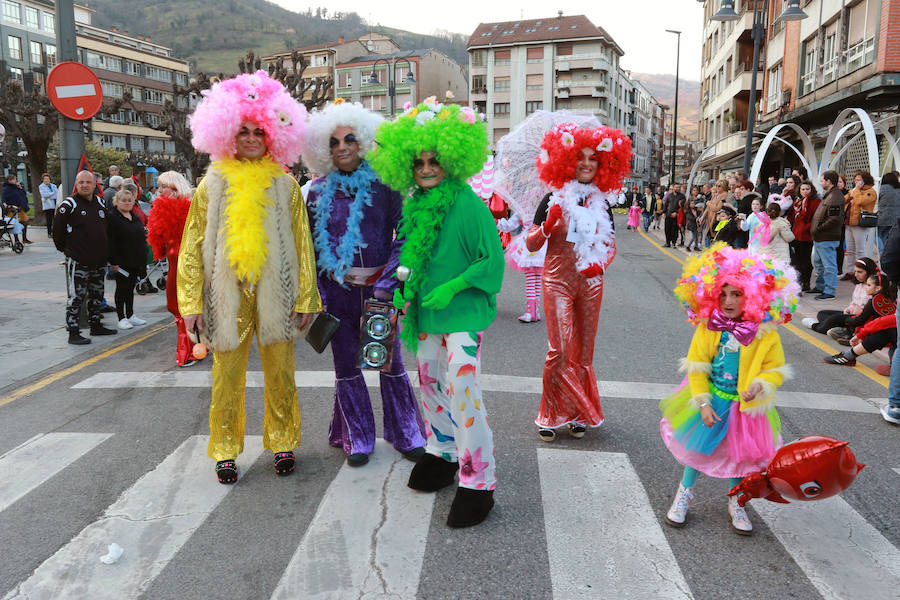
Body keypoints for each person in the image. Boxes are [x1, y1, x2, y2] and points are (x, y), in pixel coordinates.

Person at [177, 70, 321, 484]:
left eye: (260, 131)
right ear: (227, 133)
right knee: (225, 375)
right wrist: (190, 305)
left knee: (281, 372)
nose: (252, 138)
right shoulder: (211, 185)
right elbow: (191, 246)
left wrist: (306, 298)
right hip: (227, 294)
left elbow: (301, 245)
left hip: (277, 293)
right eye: (243, 131)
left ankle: (283, 443)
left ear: (273, 134)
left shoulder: (286, 185)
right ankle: (224, 450)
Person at [370, 99, 503, 528]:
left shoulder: (468, 205)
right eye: (419, 161)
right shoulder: (414, 206)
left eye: (434, 160)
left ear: (450, 158)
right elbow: (409, 257)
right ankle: (443, 452)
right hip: (426, 316)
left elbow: (492, 262)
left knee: (464, 391)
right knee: (428, 384)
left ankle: (478, 478)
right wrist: (402, 287)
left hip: (461, 314)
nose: (426, 168)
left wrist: (453, 286)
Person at [303, 100, 425, 467]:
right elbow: (309, 246)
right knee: (346, 368)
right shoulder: (317, 191)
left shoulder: (385, 184)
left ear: (363, 141)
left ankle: (406, 432)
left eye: (350, 139)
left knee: (388, 363)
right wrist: (321, 295)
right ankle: (356, 436)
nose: (342, 147)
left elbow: (403, 233)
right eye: (334, 142)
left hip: (379, 291)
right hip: (337, 294)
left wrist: (388, 283)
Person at [661, 244, 798, 534]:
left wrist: (759, 387)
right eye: (722, 293)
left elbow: (775, 369)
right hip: (713, 399)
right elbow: (697, 366)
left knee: (741, 457)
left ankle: (737, 501)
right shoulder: (709, 327)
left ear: (753, 296)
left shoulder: (765, 334)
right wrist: (702, 402)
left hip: (745, 407)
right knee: (699, 449)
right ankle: (684, 493)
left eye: (736, 294)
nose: (728, 300)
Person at [524, 123, 628, 443]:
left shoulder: (602, 203)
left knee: (583, 354)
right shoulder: (552, 197)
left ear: (602, 164)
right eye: (579, 157)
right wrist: (547, 225)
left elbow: (610, 245)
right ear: (567, 160)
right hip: (557, 281)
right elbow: (530, 245)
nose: (586, 163)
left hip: (591, 283)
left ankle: (577, 414)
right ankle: (550, 413)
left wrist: (601, 263)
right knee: (560, 350)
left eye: (593, 158)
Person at [53, 171, 118, 344]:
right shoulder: (69, 204)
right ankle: (73, 332)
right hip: (78, 261)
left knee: (97, 294)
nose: (84, 185)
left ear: (95, 184)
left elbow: (107, 230)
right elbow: (57, 231)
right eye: (81, 182)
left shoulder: (99, 202)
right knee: (76, 297)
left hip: (99, 260)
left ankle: (96, 325)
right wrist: (68, 250)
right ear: (76, 184)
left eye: (88, 182)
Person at [147, 171, 196, 367]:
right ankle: (194, 347)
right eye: (159, 186)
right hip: (176, 268)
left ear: (175, 188)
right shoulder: (165, 209)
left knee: (183, 308)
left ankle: (187, 352)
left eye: (164, 186)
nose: (159, 191)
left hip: (186, 270)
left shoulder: (187, 209)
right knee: (180, 308)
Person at [824, 272, 897, 365]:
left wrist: (860, 334)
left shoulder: (875, 300)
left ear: (878, 288)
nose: (856, 274)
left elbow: (880, 322)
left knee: (885, 331)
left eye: (869, 285)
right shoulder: (885, 298)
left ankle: (848, 354)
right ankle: (849, 354)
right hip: (862, 324)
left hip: (862, 326)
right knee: (827, 315)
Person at [106, 188, 147, 330]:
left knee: (130, 289)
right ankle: (121, 317)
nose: (127, 203)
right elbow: (110, 241)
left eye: (130, 200)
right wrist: (113, 262)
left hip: (135, 259)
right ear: (117, 202)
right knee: (122, 289)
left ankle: (130, 315)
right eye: (123, 200)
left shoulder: (133, 216)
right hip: (121, 261)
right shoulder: (112, 217)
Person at [801, 258, 876, 335]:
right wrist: (849, 309)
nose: (856, 274)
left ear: (868, 272)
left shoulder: (873, 286)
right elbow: (854, 302)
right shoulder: (859, 284)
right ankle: (840, 328)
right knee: (822, 314)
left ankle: (815, 326)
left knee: (833, 319)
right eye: (855, 271)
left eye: (860, 272)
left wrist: (861, 310)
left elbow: (871, 307)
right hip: (851, 314)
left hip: (859, 318)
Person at [499, 210, 546, 322]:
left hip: (528, 243)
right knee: (537, 278)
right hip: (542, 243)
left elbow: (509, 226)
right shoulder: (545, 206)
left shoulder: (523, 207)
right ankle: (535, 310)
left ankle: (531, 312)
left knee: (531, 277)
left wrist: (497, 221)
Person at [810, 170, 844, 300]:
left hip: (826, 236)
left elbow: (835, 218)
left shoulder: (835, 196)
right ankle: (820, 286)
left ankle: (829, 291)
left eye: (822, 180)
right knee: (819, 263)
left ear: (829, 181)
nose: (821, 182)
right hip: (821, 236)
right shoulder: (830, 194)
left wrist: (819, 228)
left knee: (829, 264)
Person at [841, 170, 877, 280]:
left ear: (864, 181)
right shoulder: (854, 191)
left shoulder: (870, 191)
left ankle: (862, 273)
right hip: (849, 223)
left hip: (860, 224)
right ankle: (850, 272)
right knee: (850, 250)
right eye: (855, 179)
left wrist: (856, 191)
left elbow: (861, 201)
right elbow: (843, 200)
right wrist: (852, 192)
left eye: (858, 180)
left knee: (860, 250)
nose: (856, 182)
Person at [790, 182, 820, 292]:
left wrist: (806, 228)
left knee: (806, 261)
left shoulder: (815, 201)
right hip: (796, 234)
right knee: (796, 261)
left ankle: (806, 282)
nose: (805, 191)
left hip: (806, 235)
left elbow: (815, 219)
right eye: (803, 189)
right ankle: (799, 281)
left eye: (807, 189)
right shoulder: (798, 200)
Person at [2, 174, 31, 244]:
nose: (16, 181)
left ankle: (24, 239)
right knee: (14, 224)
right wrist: (6, 205)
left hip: (20, 208)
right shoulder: (6, 189)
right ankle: (16, 240)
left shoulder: (17, 187)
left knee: (25, 222)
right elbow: (3, 199)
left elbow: (23, 194)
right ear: (9, 181)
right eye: (14, 179)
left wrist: (21, 188)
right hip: (12, 209)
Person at [877, 172, 900, 253]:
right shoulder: (898, 189)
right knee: (887, 237)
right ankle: (886, 253)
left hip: (883, 218)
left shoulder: (882, 188)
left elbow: (876, 200)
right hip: (895, 219)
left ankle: (882, 251)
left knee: (875, 235)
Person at [663, 184, 684, 248]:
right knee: (667, 229)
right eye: (676, 187)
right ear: (673, 188)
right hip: (668, 215)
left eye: (679, 187)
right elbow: (666, 205)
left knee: (674, 230)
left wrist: (676, 212)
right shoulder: (669, 196)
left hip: (676, 216)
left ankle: (674, 242)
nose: (677, 188)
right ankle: (667, 242)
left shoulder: (682, 196)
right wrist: (664, 213)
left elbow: (683, 206)